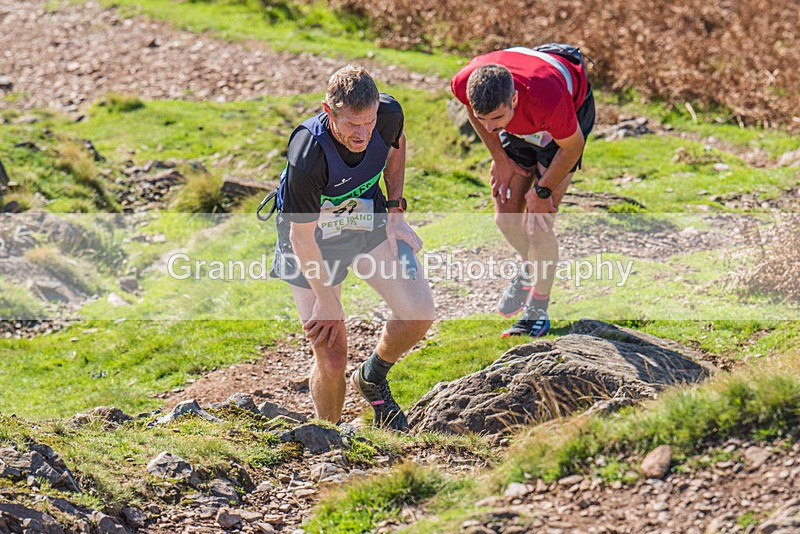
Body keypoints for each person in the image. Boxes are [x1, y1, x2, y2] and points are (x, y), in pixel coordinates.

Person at [268, 65, 434, 431]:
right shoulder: (308, 154)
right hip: (311, 242)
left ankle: (372, 376)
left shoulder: (388, 115)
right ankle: (328, 439)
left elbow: (396, 144)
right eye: (352, 125)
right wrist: (326, 299)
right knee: (331, 359)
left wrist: (396, 211)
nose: (362, 134)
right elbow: (300, 238)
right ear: (328, 111)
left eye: (368, 123)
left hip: (365, 220)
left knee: (419, 312)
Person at [450, 44, 595, 338]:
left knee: (537, 225)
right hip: (521, 119)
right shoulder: (464, 81)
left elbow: (573, 147)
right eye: (483, 118)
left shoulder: (549, 100)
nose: (489, 128)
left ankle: (538, 309)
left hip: (561, 120)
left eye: (496, 118)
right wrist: (499, 158)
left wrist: (542, 191)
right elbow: (473, 111)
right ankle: (531, 267)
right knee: (505, 218)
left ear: (514, 98)